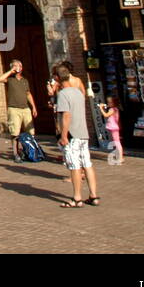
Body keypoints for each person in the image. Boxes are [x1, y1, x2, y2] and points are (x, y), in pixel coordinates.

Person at [54, 63, 99, 208]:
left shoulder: (63, 94)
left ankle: (77, 198)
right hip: (83, 133)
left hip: (72, 134)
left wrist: (64, 135)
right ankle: (93, 195)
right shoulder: (78, 92)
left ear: (57, 78)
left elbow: (66, 116)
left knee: (74, 166)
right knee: (87, 164)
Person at [0, 60, 37, 160]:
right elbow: (0, 79)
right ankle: (16, 154)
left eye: (19, 65)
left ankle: (29, 151)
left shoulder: (25, 80)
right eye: (15, 66)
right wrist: (11, 71)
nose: (18, 67)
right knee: (15, 133)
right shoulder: (10, 79)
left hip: (25, 108)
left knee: (31, 132)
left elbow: (28, 94)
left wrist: (33, 107)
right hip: (14, 109)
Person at [100, 96, 123, 165]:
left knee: (117, 142)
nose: (108, 103)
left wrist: (101, 109)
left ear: (113, 103)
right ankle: (120, 156)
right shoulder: (115, 109)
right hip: (115, 127)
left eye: (110, 102)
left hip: (114, 128)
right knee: (116, 142)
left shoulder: (112, 110)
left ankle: (120, 157)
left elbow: (106, 115)